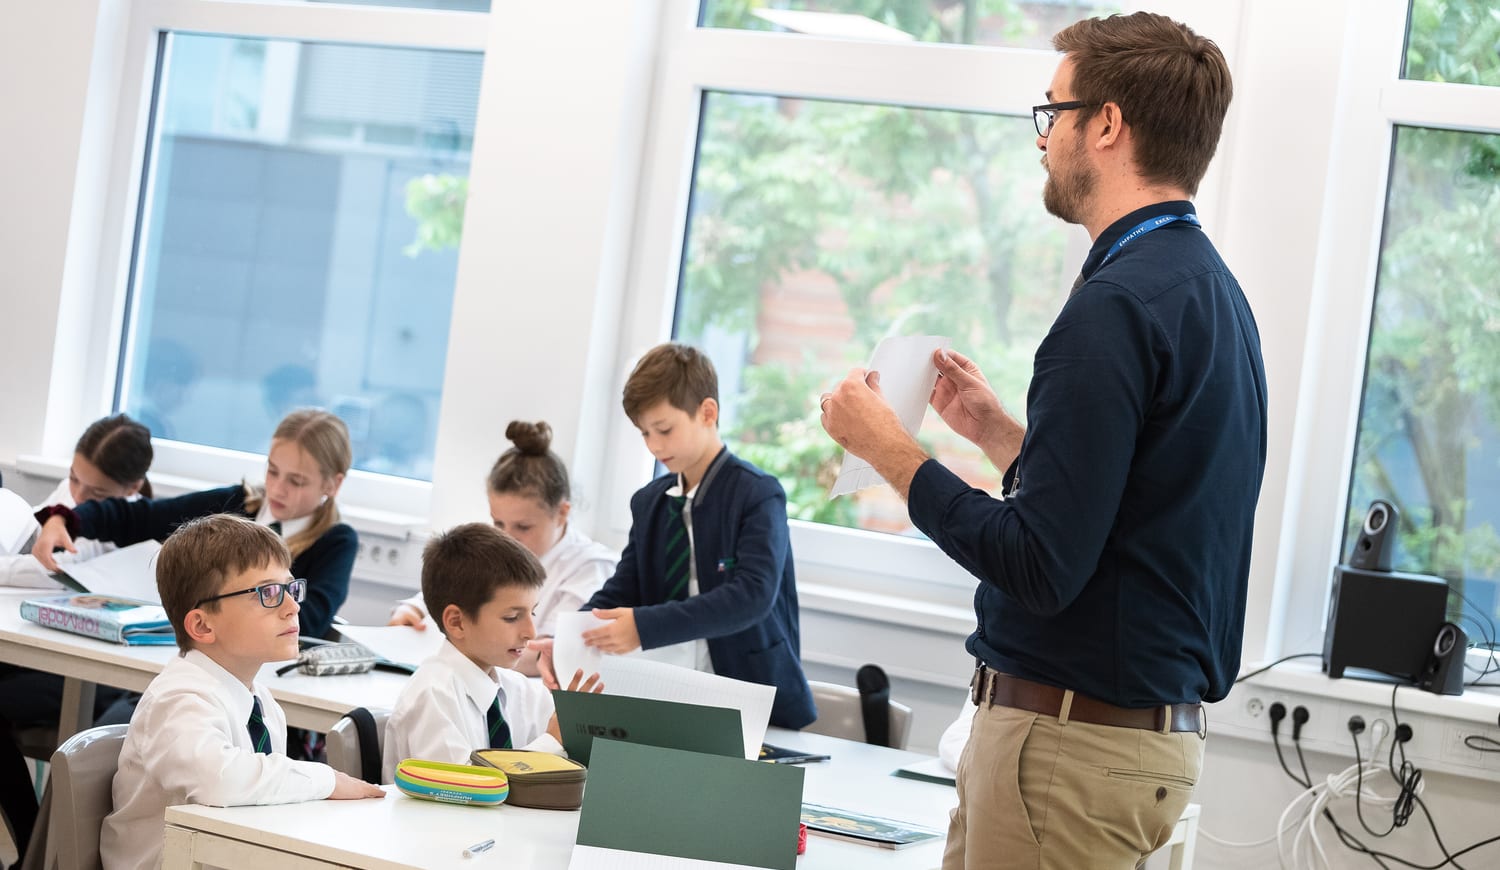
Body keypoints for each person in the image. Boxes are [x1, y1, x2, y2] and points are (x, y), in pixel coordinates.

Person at [819, 13, 1265, 869]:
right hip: (1126, 746)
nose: (1042, 138)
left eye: (1053, 112)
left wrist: (890, 453)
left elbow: (1039, 565)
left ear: (1107, 125)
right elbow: (1134, 514)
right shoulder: (1208, 293)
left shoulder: (1112, 310)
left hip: (1068, 751)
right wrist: (1003, 439)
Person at [100, 514, 383, 870]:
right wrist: (327, 780)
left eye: (290, 589)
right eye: (268, 593)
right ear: (202, 625)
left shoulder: (261, 702)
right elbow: (219, 779)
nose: (293, 607)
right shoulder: (178, 699)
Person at [564, 343, 816, 730]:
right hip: (668, 692)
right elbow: (622, 590)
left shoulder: (757, 494)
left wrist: (644, 627)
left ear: (707, 413)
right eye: (645, 433)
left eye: (664, 429)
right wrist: (569, 637)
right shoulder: (649, 502)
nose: (654, 445)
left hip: (753, 697)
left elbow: (752, 596)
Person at [32, 408, 356, 643]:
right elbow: (140, 518)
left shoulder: (336, 542)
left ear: (333, 484)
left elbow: (308, 620)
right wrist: (66, 519)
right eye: (272, 471)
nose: (278, 489)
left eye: (296, 481)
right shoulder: (236, 503)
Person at [0, 414, 153, 866]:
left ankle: (34, 849)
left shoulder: (137, 530)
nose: (78, 498)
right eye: (73, 479)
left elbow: (61, 570)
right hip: (40, 652)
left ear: (132, 487)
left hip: (101, 675)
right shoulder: (62, 505)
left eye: (96, 493)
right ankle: (31, 843)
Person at [388, 420, 617, 676]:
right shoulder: (490, 551)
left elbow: (547, 653)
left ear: (562, 513)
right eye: (498, 523)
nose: (507, 537)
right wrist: (412, 611)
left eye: (523, 527)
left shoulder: (591, 568)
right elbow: (449, 592)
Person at [382, 523, 601, 782]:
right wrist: (551, 743)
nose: (530, 632)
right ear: (457, 622)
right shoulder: (433, 696)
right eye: (512, 617)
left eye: (532, 613)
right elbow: (468, 790)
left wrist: (579, 723)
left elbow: (570, 741)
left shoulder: (519, 689)